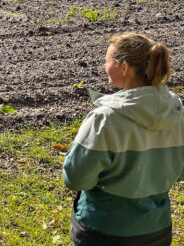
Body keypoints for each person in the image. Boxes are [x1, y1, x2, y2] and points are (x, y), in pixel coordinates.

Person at [63, 32, 183, 245]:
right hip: (156, 230)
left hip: (103, 229)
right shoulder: (177, 113)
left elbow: (76, 178)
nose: (103, 66)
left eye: (107, 60)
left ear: (125, 67)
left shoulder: (104, 118)